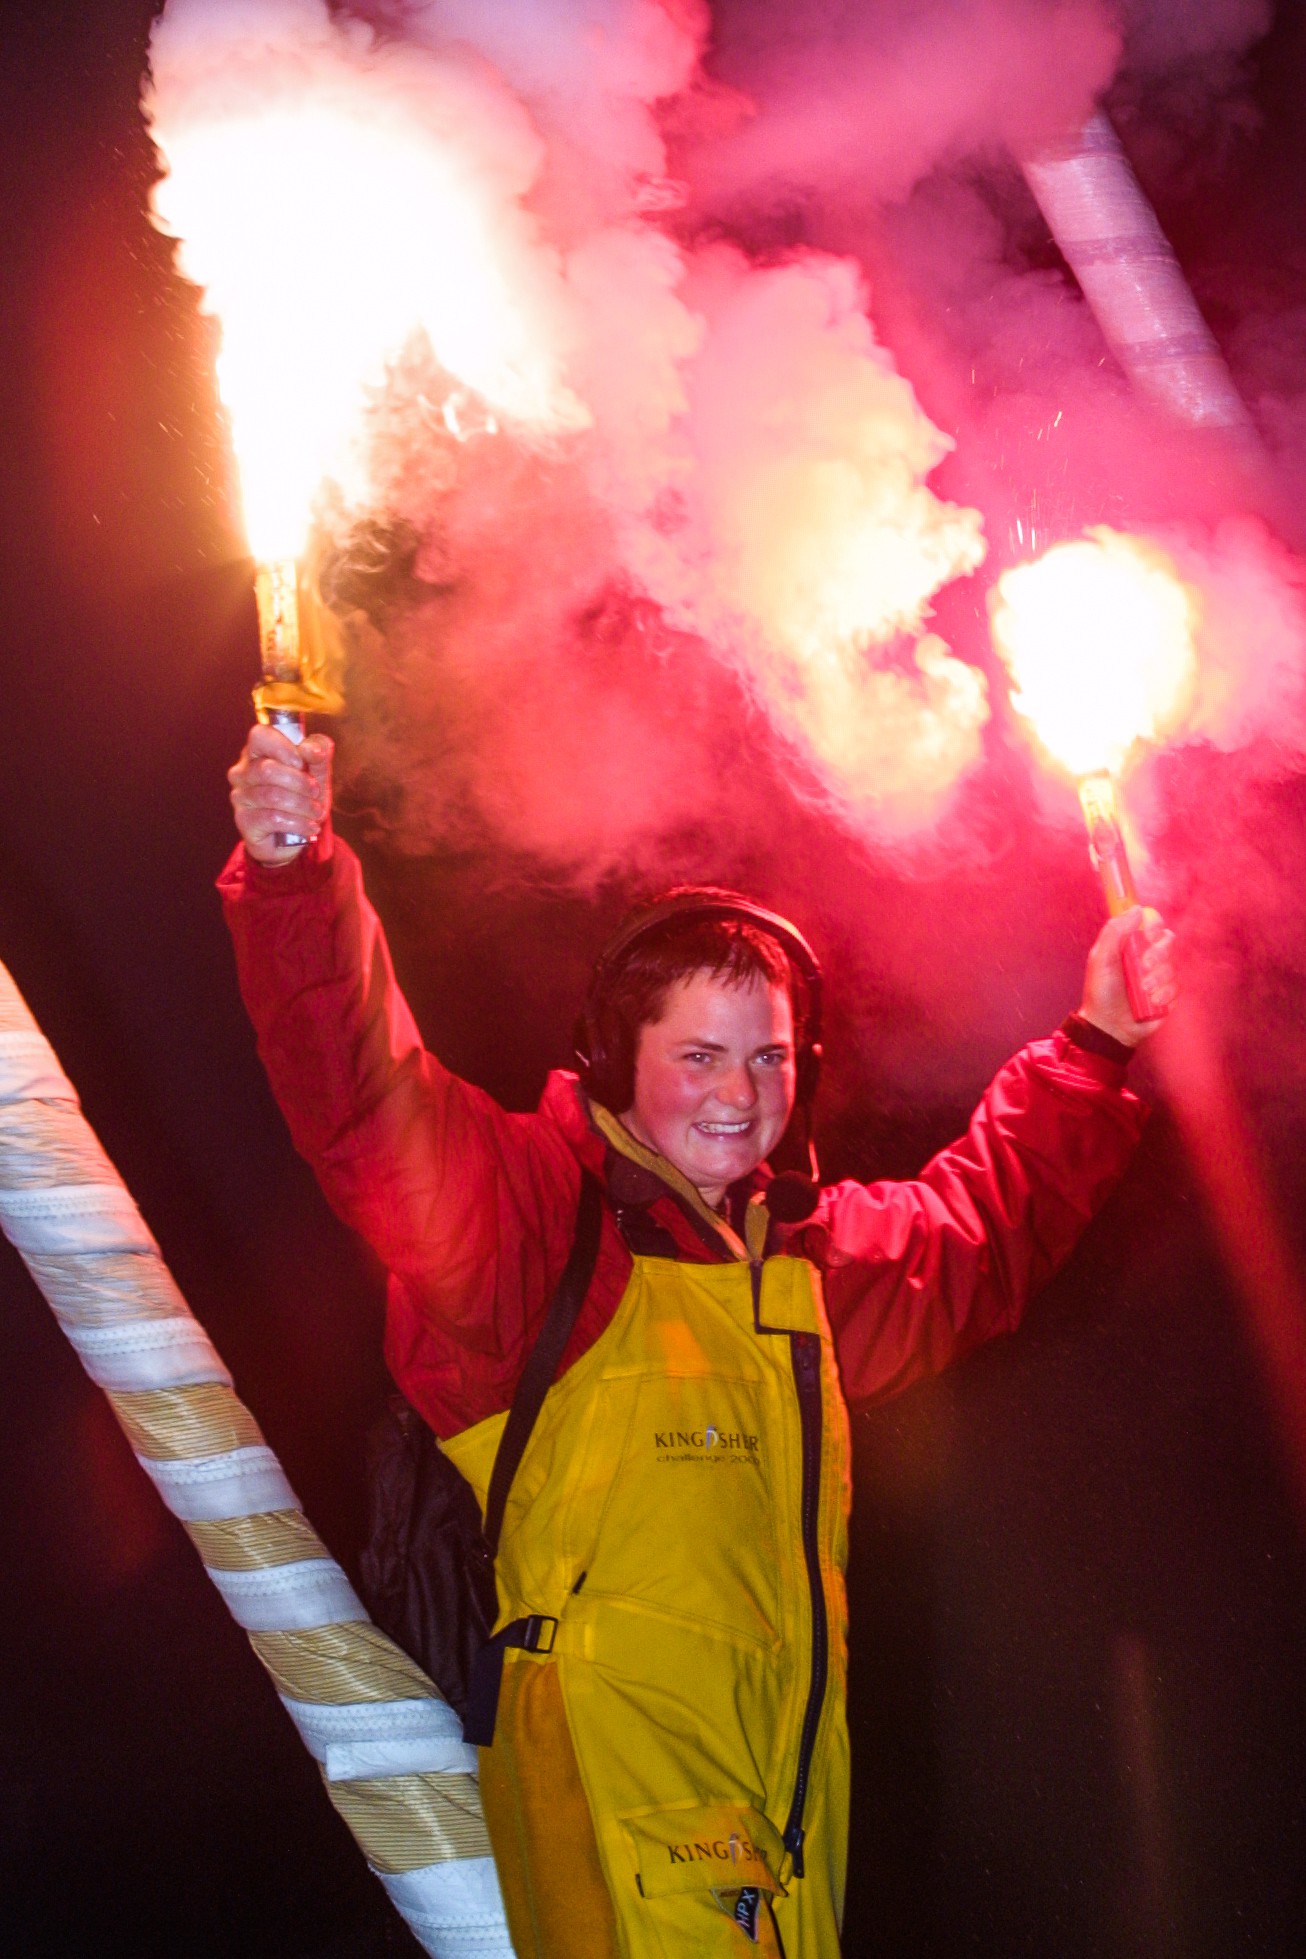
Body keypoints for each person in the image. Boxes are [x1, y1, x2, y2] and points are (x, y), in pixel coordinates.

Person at [221, 724, 1176, 1959]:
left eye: (769, 1057)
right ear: (617, 1063)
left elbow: (977, 1236)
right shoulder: (531, 1229)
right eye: (700, 1057)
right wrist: (292, 875)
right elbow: (362, 1096)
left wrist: (1096, 1043)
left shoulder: (796, 1267)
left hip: (784, 1804)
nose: (740, 1094)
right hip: (618, 1794)